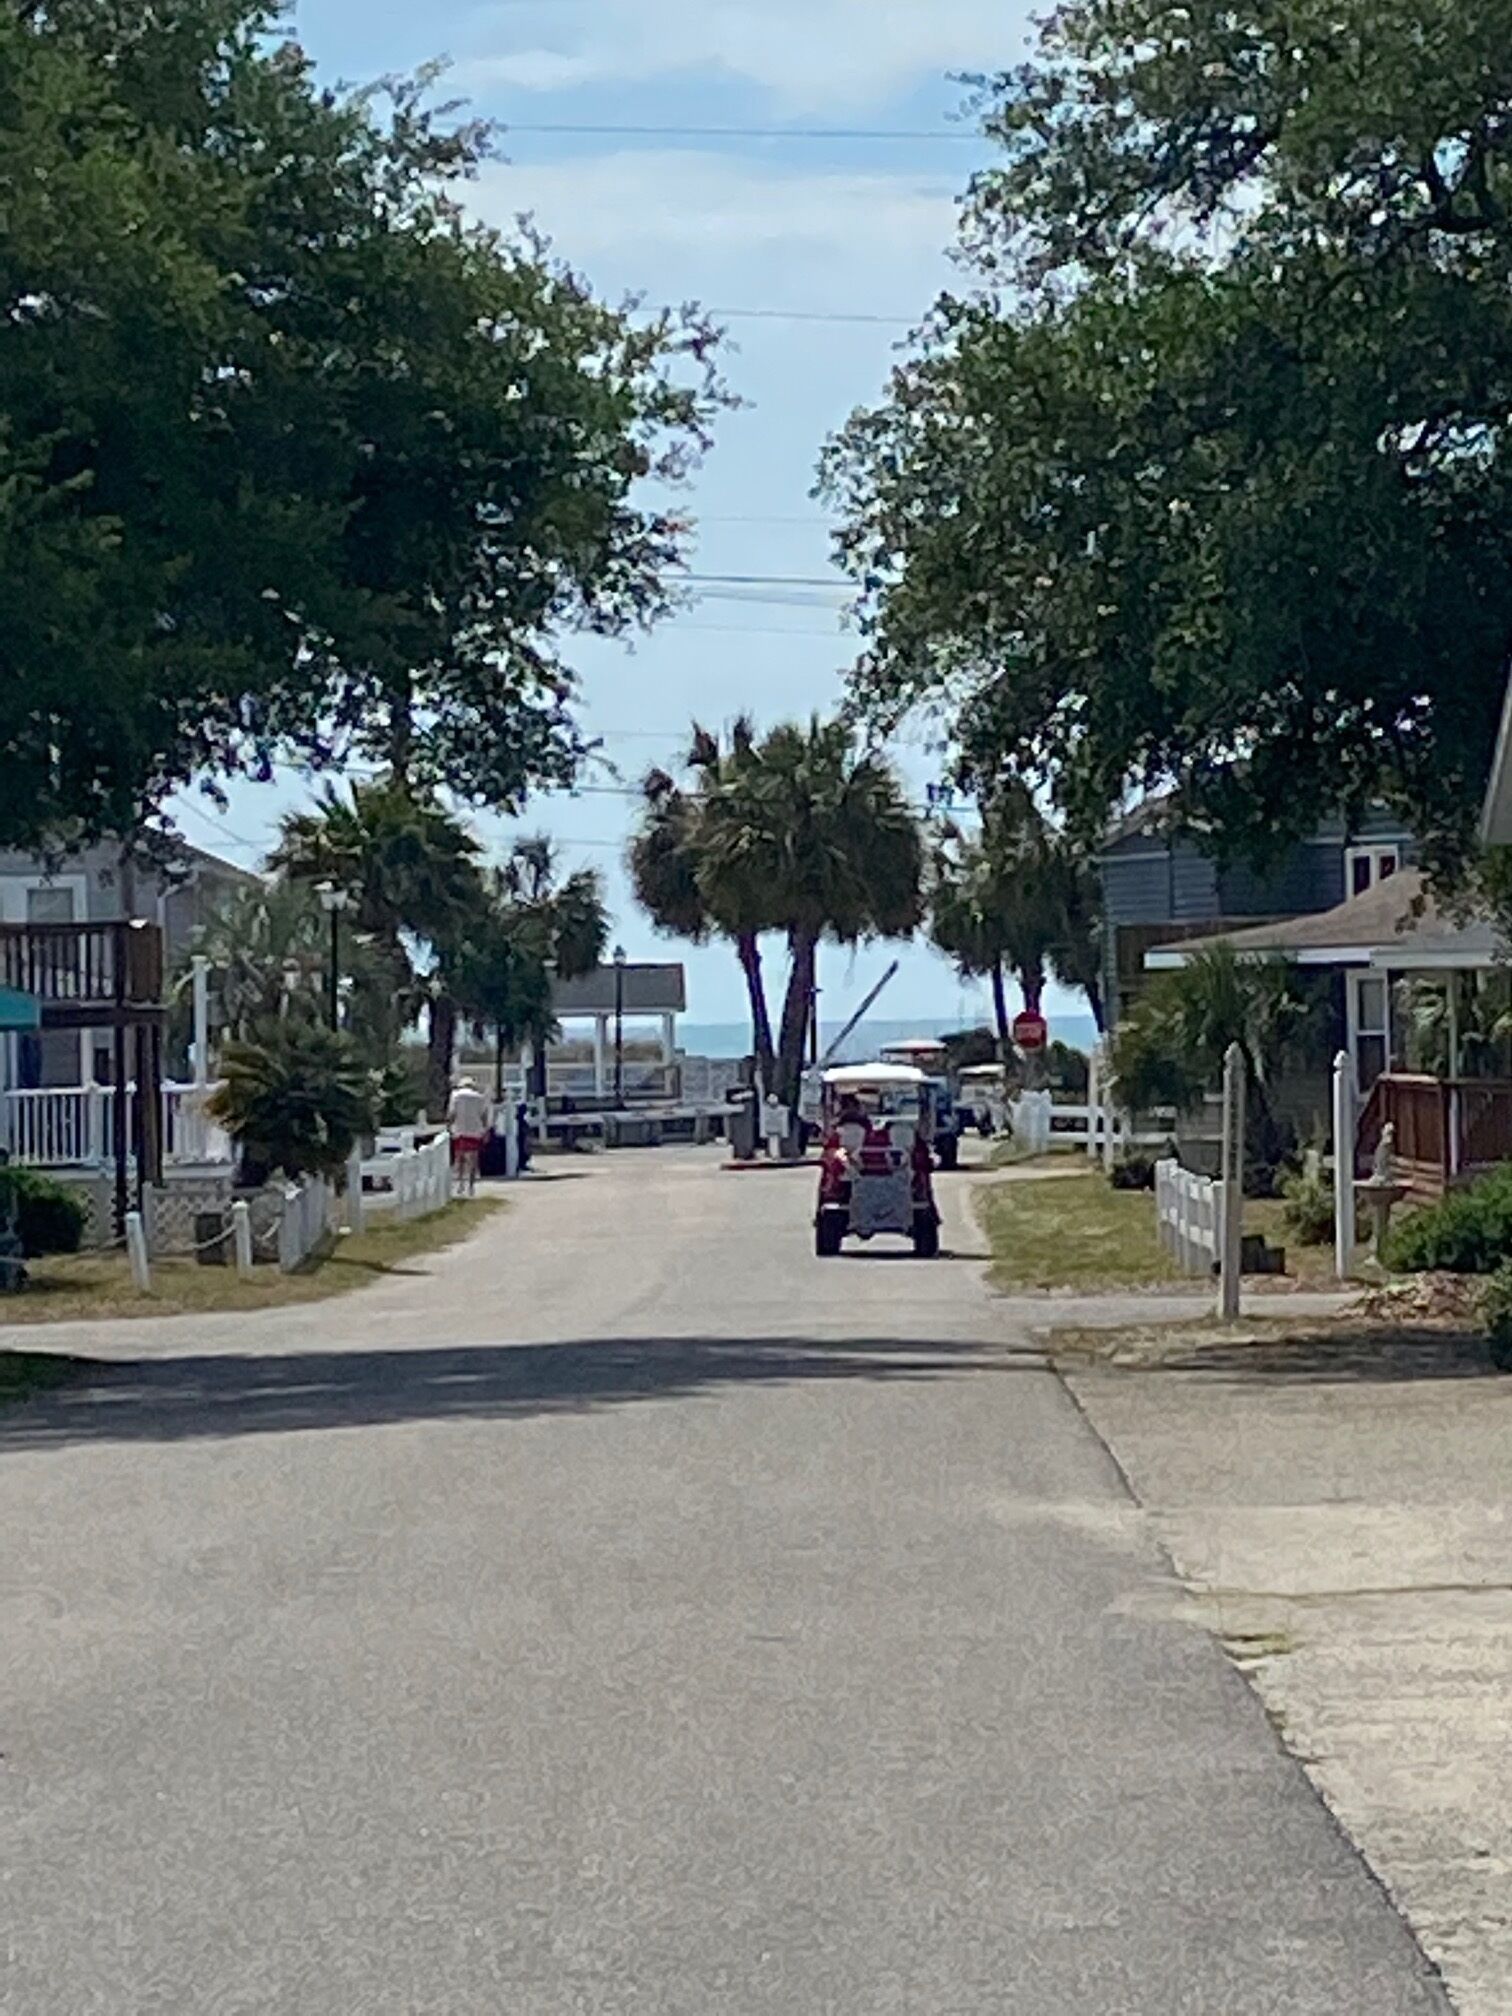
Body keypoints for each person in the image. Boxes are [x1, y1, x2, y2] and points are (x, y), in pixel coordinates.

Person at [447, 1076, 492, 1197]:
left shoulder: (455, 1096)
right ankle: (471, 1185)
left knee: (459, 1158)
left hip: (460, 1130)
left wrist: (449, 1126)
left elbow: (452, 1114)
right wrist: (486, 1130)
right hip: (474, 1131)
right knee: (473, 1159)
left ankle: (460, 1184)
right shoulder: (479, 1097)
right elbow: (484, 1115)